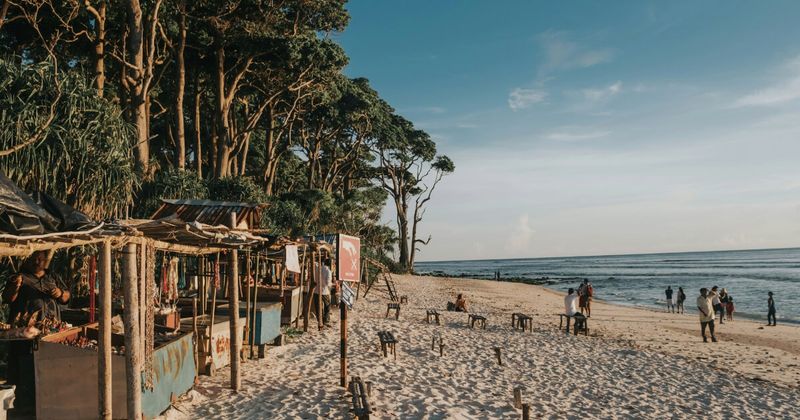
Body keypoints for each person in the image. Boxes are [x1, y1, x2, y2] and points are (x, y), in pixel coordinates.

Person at [2, 251, 71, 408]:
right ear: (27, 260)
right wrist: (16, 286)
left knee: (49, 369)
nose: (36, 262)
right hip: (25, 336)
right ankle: (25, 407)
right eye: (33, 259)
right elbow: (8, 298)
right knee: (25, 369)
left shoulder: (53, 276)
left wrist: (60, 293)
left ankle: (47, 404)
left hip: (50, 334)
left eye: (40, 259)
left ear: (45, 260)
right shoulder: (19, 277)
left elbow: (67, 296)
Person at [313, 258, 332, 326]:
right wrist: (331, 284)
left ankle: (319, 320)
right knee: (327, 306)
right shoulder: (328, 271)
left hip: (316, 290)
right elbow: (328, 283)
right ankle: (326, 320)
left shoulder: (317, 268)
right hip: (324, 291)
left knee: (318, 306)